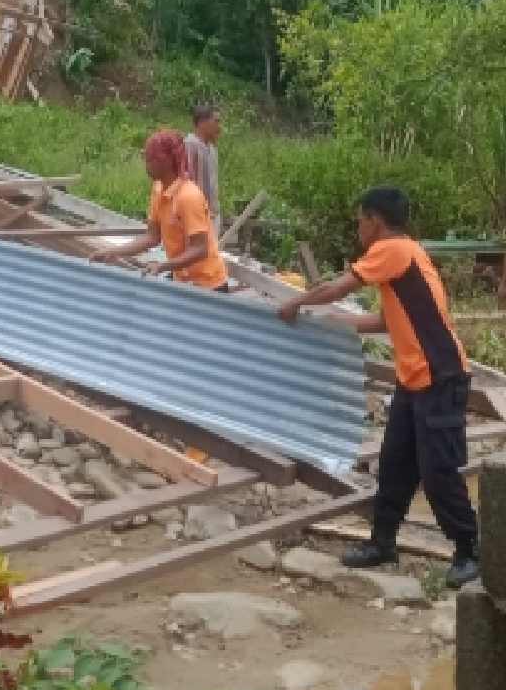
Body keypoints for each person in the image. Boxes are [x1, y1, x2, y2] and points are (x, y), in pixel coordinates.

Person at [277, 187, 480, 588]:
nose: (358, 227)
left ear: (376, 221)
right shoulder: (407, 255)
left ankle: (470, 549)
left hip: (439, 377)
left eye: (360, 220)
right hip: (415, 379)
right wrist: (339, 327)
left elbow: (336, 288)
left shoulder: (392, 249)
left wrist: (297, 303)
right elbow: (388, 322)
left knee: (437, 470)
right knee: (394, 464)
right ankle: (383, 542)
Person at [92, 130, 229, 292]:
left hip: (208, 285)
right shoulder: (158, 189)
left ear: (166, 161)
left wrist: (163, 265)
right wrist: (113, 252)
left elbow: (200, 249)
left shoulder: (188, 197)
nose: (146, 165)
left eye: (151, 159)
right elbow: (152, 236)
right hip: (182, 280)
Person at [184, 105, 222, 233]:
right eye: (216, 121)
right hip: (195, 215)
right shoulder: (190, 145)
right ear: (202, 122)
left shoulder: (212, 149)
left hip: (212, 214)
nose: (219, 127)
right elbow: (186, 181)